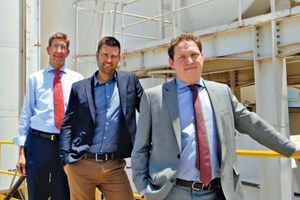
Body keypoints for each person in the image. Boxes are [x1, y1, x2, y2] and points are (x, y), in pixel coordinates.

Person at [131, 33, 300, 200]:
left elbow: (252, 124)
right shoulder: (154, 97)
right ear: (171, 62)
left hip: (218, 192)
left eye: (194, 55)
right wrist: (143, 189)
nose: (189, 61)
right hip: (172, 192)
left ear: (202, 57)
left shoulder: (222, 92)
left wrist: (291, 149)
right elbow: (141, 147)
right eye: (182, 57)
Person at [59, 36, 144, 200]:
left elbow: (148, 111)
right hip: (82, 164)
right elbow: (67, 125)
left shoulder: (130, 81)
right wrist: (66, 162)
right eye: (105, 55)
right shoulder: (80, 88)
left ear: (119, 58)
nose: (109, 60)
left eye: (114, 56)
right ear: (96, 55)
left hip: (114, 166)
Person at [13, 32, 84, 200]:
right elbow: (26, 114)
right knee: (37, 193)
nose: (59, 50)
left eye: (63, 47)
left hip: (65, 143)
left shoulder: (77, 80)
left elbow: (81, 116)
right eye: (55, 46)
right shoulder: (35, 79)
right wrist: (22, 152)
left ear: (68, 52)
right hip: (38, 143)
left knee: (63, 193)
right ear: (48, 49)